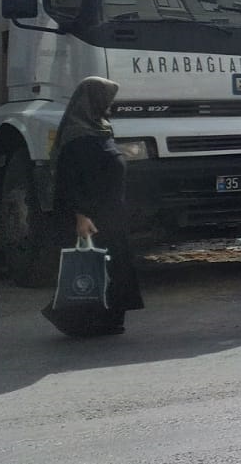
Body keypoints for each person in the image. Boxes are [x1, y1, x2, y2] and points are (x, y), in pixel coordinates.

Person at [43, 76, 144, 336]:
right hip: (92, 216)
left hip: (112, 213)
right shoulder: (77, 136)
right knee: (92, 268)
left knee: (113, 268)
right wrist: (81, 215)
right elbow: (71, 180)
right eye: (106, 99)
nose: (109, 105)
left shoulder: (100, 129)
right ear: (92, 101)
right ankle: (80, 322)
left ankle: (110, 320)